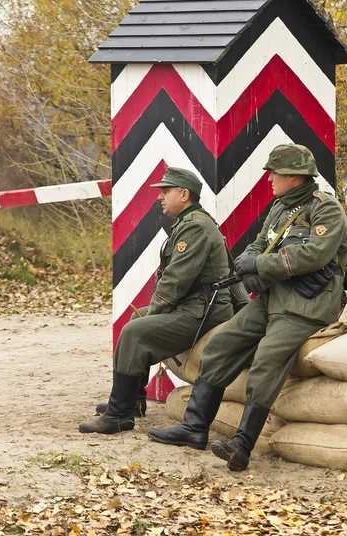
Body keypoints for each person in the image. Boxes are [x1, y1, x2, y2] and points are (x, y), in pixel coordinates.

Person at [148, 144, 347, 471]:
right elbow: (262, 242)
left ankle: (242, 444)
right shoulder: (280, 207)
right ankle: (194, 427)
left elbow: (314, 254)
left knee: (267, 359)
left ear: (294, 176)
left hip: (307, 304)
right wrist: (248, 266)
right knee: (220, 347)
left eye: (274, 173)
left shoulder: (325, 209)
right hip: (274, 298)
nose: (269, 179)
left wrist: (262, 265)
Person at [79, 167, 234, 434]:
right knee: (135, 317)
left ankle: (119, 415)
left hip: (204, 312)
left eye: (166, 191)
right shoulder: (190, 222)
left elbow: (175, 282)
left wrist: (156, 311)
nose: (160, 197)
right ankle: (134, 401)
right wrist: (152, 312)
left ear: (184, 194)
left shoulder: (196, 226)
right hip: (195, 306)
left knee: (134, 330)